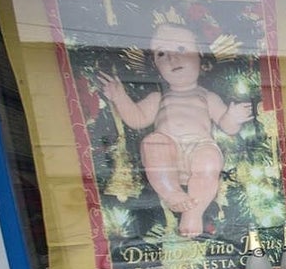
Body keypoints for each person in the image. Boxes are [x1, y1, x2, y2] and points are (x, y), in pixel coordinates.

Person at [99, 23, 253, 238]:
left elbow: (226, 126)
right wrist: (119, 97)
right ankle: (172, 192)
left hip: (199, 148)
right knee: (153, 142)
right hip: (167, 152)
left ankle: (193, 213)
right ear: (156, 65)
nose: (172, 58)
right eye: (162, 53)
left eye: (181, 49)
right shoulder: (159, 98)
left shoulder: (206, 96)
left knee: (210, 160)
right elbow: (136, 119)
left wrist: (233, 117)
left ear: (201, 57)